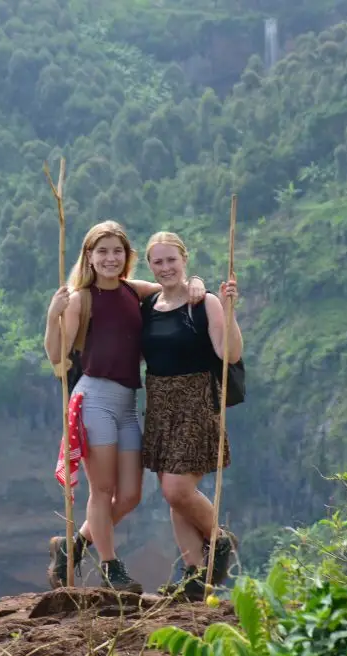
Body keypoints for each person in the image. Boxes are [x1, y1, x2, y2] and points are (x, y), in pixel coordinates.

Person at [43, 220, 206, 593]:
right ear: (89, 256)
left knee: (130, 494)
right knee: (102, 489)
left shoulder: (134, 291)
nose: (110, 258)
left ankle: (71, 548)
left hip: (127, 403)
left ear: (127, 257)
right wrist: (53, 315)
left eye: (117, 251)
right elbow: (56, 354)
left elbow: (173, 288)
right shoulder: (80, 298)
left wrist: (196, 283)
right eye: (102, 251)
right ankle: (110, 566)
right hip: (94, 397)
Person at [139, 231, 242, 601]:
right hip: (160, 405)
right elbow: (114, 284)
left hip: (196, 403)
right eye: (158, 261)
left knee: (176, 488)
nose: (166, 267)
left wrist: (229, 311)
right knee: (175, 497)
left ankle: (220, 540)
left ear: (185, 260)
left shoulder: (205, 303)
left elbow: (228, 354)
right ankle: (195, 577)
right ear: (149, 266)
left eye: (172, 260)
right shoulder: (147, 305)